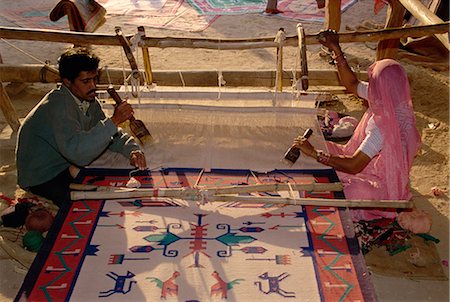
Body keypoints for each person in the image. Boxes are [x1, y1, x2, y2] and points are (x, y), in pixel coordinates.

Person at [293, 30, 421, 221]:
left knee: (355, 190)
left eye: (373, 82)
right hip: (368, 163)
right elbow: (352, 84)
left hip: (378, 182)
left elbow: (353, 166)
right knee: (320, 142)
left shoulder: (383, 128)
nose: (370, 86)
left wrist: (314, 154)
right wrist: (336, 50)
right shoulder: (391, 98)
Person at [16, 47, 147, 208]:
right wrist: (114, 120)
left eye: (94, 79)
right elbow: (78, 155)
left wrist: (132, 150)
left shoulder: (87, 100)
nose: (93, 86)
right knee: (89, 206)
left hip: (65, 163)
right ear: (67, 82)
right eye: (86, 81)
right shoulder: (59, 107)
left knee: (116, 178)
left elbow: (111, 134)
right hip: (41, 176)